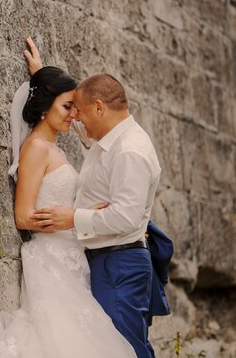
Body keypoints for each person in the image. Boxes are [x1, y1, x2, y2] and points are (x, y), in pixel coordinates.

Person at [0, 38, 136, 358]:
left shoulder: (55, 145)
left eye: (75, 107)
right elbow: (23, 216)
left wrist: (41, 74)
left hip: (72, 258)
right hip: (50, 259)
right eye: (67, 107)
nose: (74, 115)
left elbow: (81, 114)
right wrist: (69, 220)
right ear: (45, 106)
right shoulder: (37, 148)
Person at [30, 71, 162, 358]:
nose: (76, 117)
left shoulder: (129, 151)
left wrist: (73, 218)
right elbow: (72, 122)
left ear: (100, 108)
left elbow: (125, 217)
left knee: (126, 349)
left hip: (119, 265)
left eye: (81, 111)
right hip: (107, 261)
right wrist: (43, 79)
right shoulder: (108, 139)